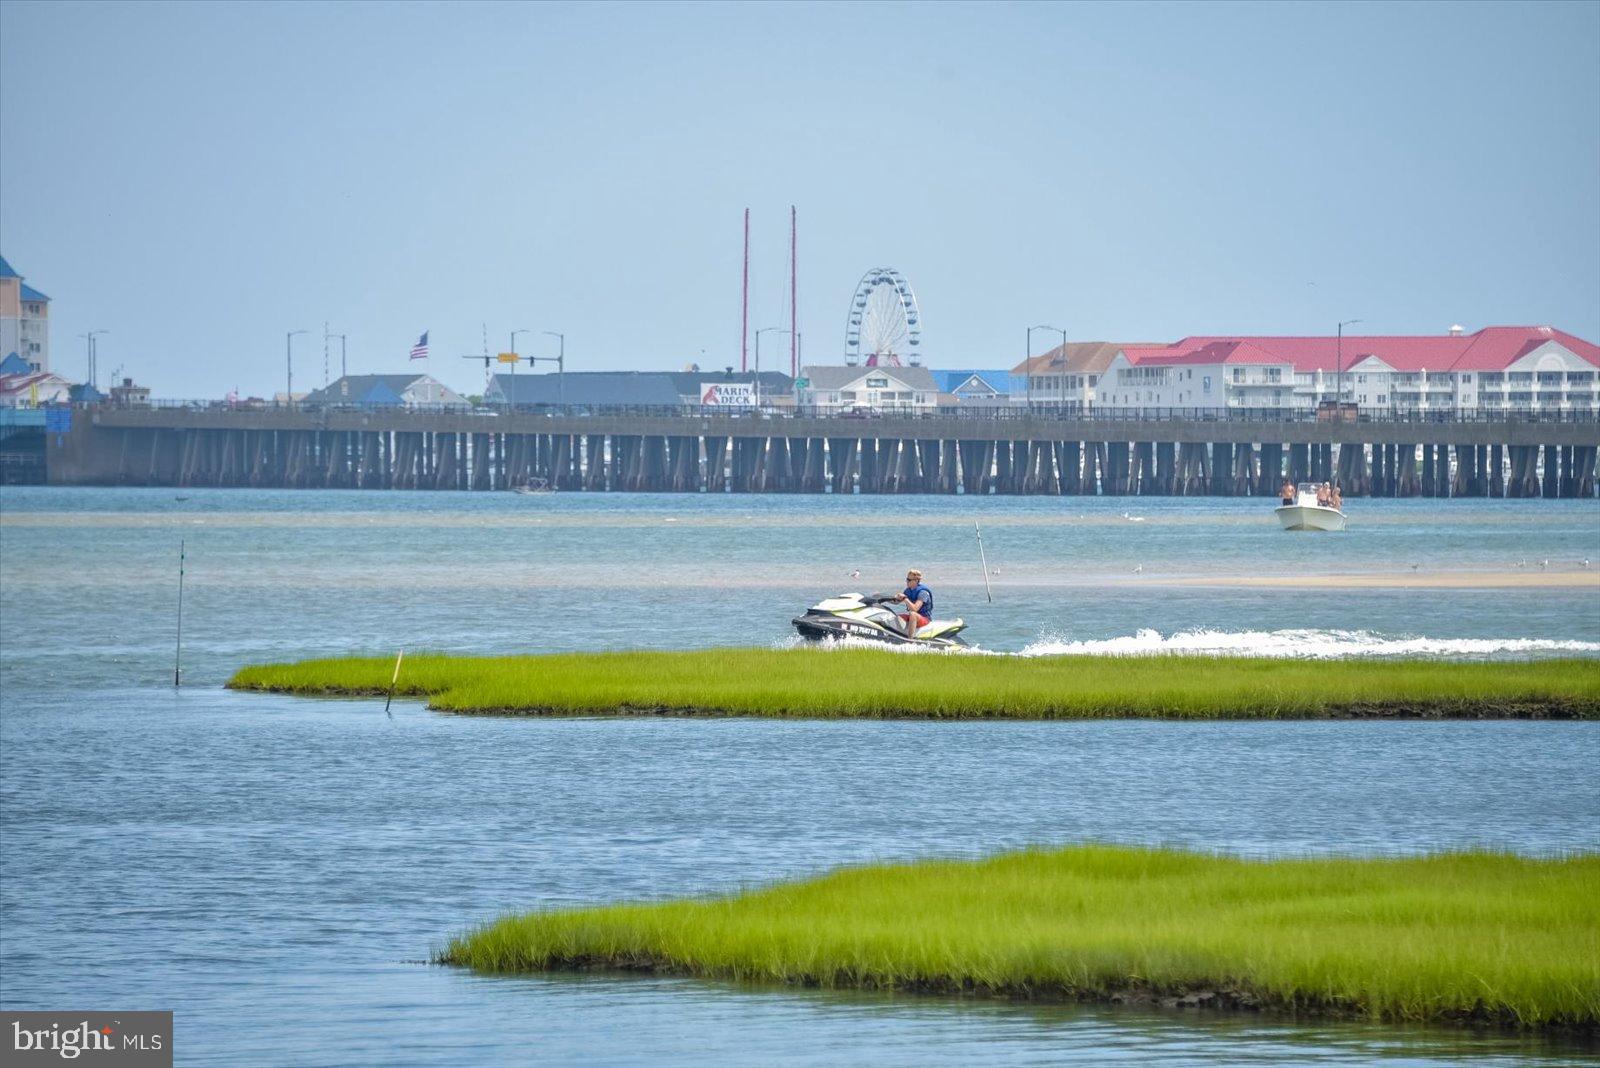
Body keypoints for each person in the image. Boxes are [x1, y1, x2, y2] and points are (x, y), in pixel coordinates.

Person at [894, 568, 933, 637]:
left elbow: (915, 609)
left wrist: (905, 598)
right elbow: (896, 602)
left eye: (909, 580)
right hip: (913, 617)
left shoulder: (923, 593)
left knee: (913, 614)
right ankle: (896, 635)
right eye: (907, 579)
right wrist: (891, 598)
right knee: (896, 617)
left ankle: (910, 639)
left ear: (916, 581)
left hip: (924, 618)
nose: (907, 581)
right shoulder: (908, 590)